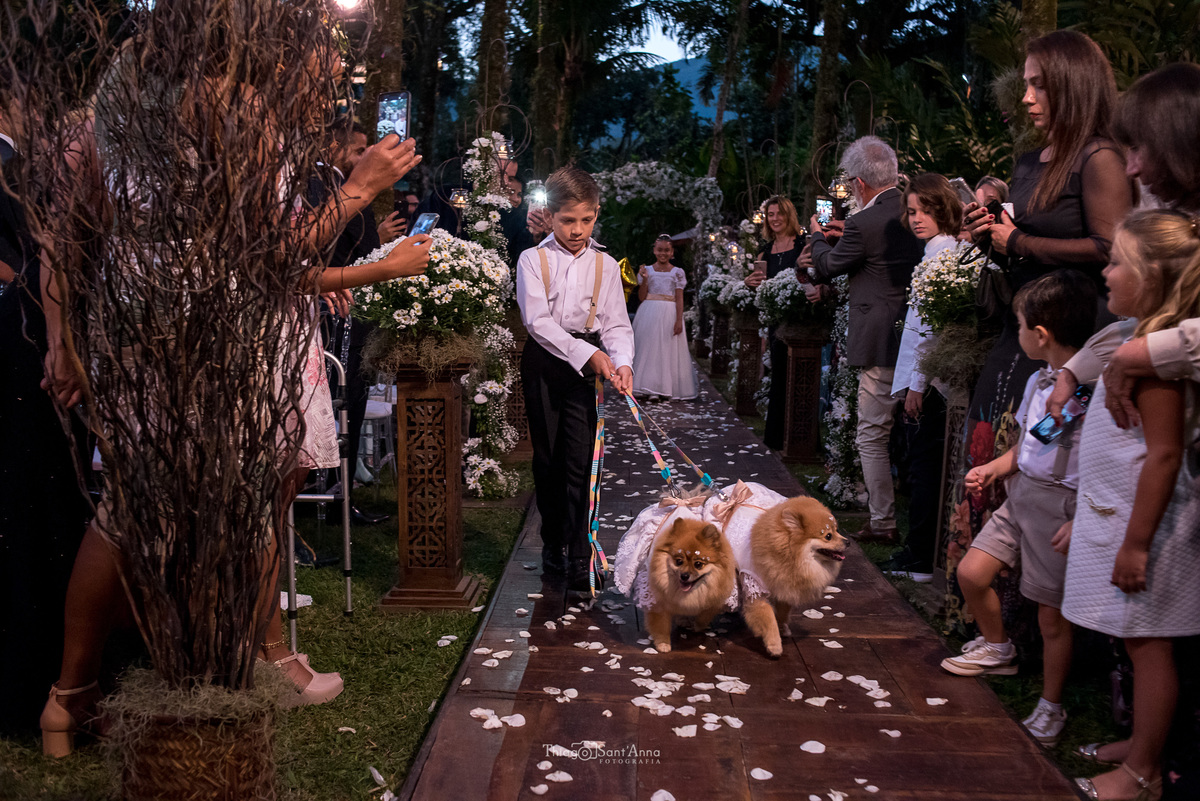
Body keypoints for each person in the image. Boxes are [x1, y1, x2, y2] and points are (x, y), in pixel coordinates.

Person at [38, 36, 431, 755]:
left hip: (136, 312)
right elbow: (267, 254)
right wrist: (360, 186)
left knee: (127, 508)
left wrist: (66, 336)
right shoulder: (236, 113)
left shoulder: (105, 119)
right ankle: (227, 667)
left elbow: (66, 238)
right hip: (222, 321)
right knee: (227, 501)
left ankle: (72, 694)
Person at [1063, 210, 1200, 801]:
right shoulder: (1135, 341)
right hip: (1115, 516)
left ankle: (1144, 769)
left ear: (1153, 278)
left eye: (1118, 261)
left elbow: (1164, 456)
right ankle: (1141, 740)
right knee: (1130, 637)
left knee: (1149, 642)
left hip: (1151, 529)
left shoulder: (1158, 367)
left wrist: (1138, 542)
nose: (1106, 269)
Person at [941, 270, 1096, 752]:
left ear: (1041, 334)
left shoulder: (1089, 391)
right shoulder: (1037, 381)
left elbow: (1091, 457)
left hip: (1057, 502)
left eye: (1020, 324)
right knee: (973, 571)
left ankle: (1051, 704)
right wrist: (993, 468)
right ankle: (999, 645)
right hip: (1022, 492)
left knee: (1052, 616)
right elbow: (1033, 443)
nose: (1018, 332)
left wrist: (1082, 514)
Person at [0, 96, 95, 734]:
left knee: (54, 508)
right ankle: (41, 683)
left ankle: (53, 682)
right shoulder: (52, 159)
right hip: (35, 339)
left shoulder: (33, 159)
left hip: (47, 329)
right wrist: (60, 342)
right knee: (42, 509)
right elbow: (47, 255)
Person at [516, 166, 634, 602]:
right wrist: (590, 354)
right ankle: (553, 543)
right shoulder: (533, 260)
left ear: (596, 214)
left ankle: (582, 554)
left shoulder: (604, 264)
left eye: (586, 220)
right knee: (548, 458)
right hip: (545, 362)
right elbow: (537, 322)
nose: (577, 230)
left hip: (589, 368)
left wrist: (622, 362)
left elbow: (617, 324)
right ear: (549, 216)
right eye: (568, 220)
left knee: (583, 460)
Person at [801, 136, 924, 544]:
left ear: (857, 184)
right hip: (917, 332)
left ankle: (883, 521)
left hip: (878, 340)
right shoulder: (914, 211)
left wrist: (818, 236)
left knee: (871, 433)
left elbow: (829, 267)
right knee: (913, 432)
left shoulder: (862, 223)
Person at [308, 118, 391, 526]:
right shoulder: (321, 186)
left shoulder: (342, 184)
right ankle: (325, 499)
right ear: (333, 145)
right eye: (359, 151)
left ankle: (342, 496)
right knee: (337, 408)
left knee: (352, 407)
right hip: (331, 309)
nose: (364, 159)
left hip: (351, 310)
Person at [879, 174, 961, 582]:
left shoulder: (944, 254)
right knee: (919, 465)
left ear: (943, 209)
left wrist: (916, 384)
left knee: (925, 467)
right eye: (912, 212)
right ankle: (917, 549)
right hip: (922, 377)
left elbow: (930, 330)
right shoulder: (934, 253)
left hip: (929, 381)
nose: (917, 219)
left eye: (925, 211)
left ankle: (920, 555)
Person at [745, 196, 805, 449]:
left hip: (801, 322)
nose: (775, 218)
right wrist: (750, 284)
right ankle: (776, 437)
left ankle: (799, 436)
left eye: (780, 213)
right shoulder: (765, 250)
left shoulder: (803, 244)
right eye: (771, 214)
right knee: (779, 376)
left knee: (798, 379)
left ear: (789, 215)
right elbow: (760, 289)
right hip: (775, 323)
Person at [631, 234, 697, 400]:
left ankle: (664, 387)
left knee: (666, 349)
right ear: (654, 250)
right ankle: (646, 385)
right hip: (649, 311)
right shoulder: (647, 270)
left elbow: (680, 297)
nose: (663, 253)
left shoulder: (677, 272)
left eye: (666, 250)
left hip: (669, 311)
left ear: (672, 252)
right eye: (660, 250)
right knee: (649, 347)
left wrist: (678, 319)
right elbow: (641, 296)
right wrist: (645, 280)